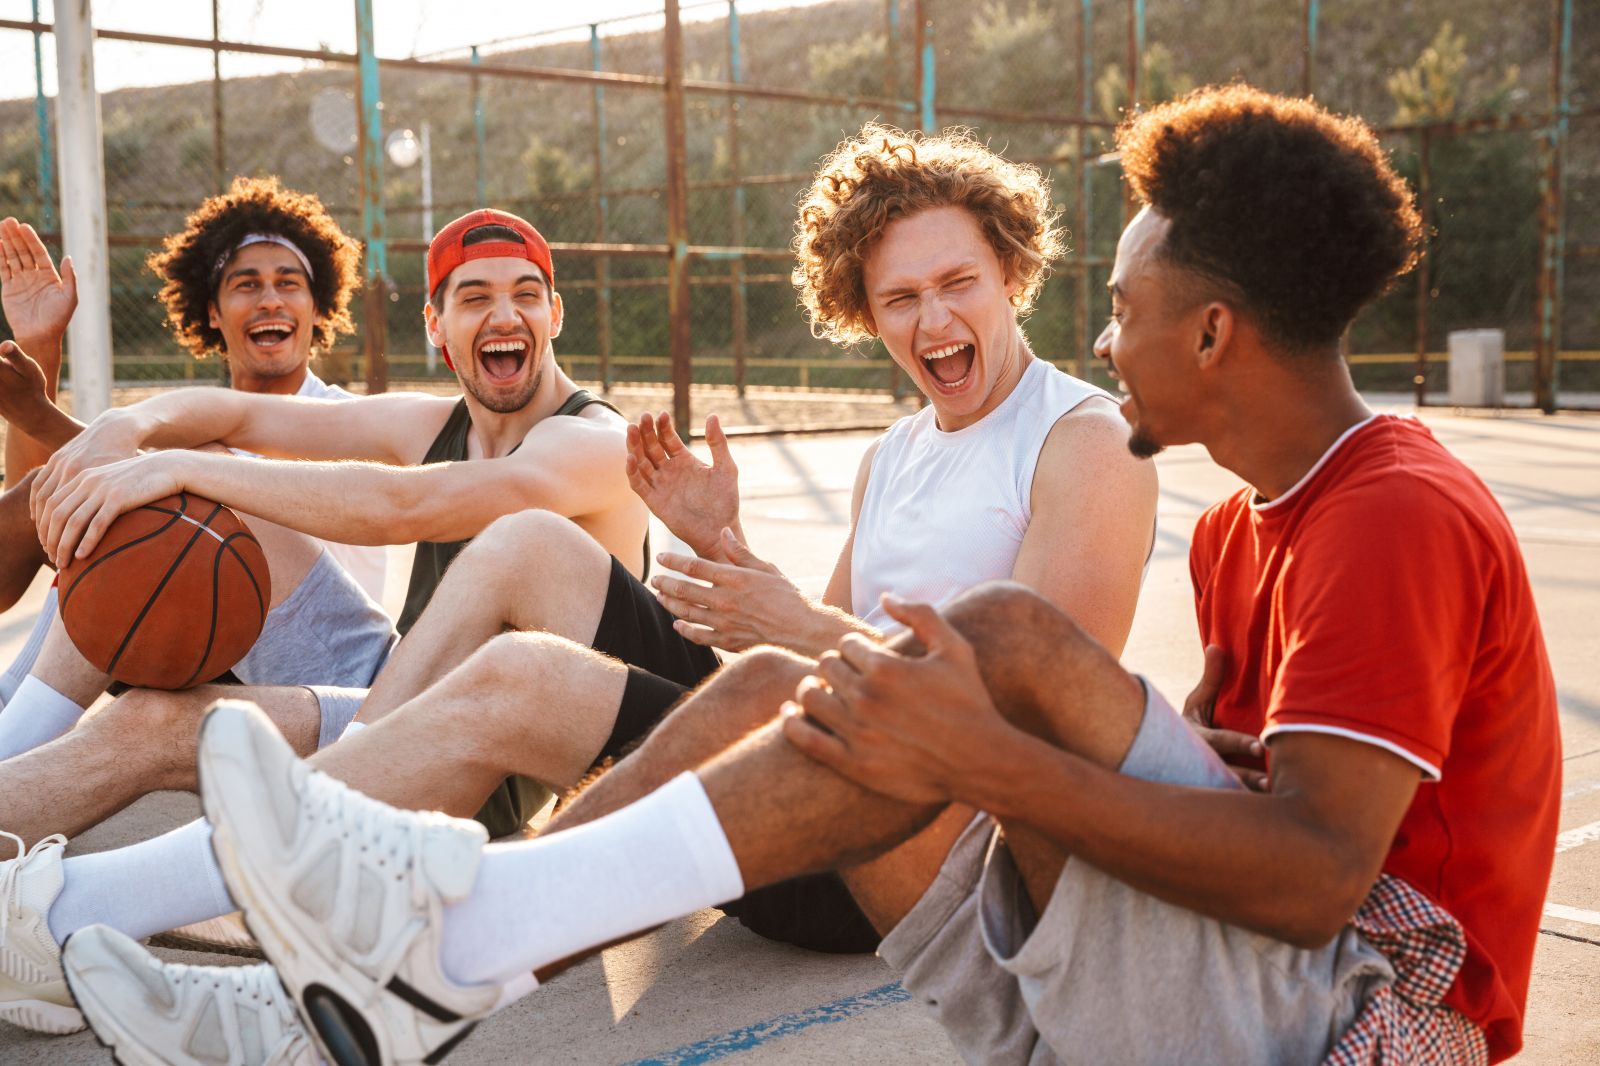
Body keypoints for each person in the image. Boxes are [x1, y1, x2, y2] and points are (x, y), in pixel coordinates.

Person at [76, 87, 1559, 1066]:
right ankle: (399, 940)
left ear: (1215, 332)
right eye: (896, 296)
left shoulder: (1378, 511)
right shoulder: (1246, 525)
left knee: (965, 650)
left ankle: (415, 928)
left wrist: (973, 742)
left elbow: (1307, 878)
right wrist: (736, 563)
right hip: (1183, 934)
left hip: (1381, 1015)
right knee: (823, 668)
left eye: (1119, 309)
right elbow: (1209, 761)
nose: (1108, 341)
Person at [2, 122, 1157, 1054]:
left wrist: (786, 618)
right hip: (810, 772)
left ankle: (80, 915)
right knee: (522, 623)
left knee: (530, 580)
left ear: (1013, 270)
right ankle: (279, 963)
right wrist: (738, 559)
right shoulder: (895, 452)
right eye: (898, 299)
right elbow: (825, 654)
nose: (931, 320)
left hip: (905, 859)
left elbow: (1033, 726)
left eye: (957, 283)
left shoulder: (1081, 441)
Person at [0, 204, 653, 1034]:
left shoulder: (594, 442)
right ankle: (14, 750)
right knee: (154, 696)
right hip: (389, 697)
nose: (504, 315)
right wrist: (128, 428)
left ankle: (61, 903)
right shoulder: (436, 422)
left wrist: (163, 464)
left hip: (483, 757)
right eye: (475, 296)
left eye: (527, 294)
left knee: (183, 556)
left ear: (555, 315)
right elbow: (232, 415)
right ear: (438, 325)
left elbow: (400, 503)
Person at [0, 184, 388, 701]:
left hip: (307, 667)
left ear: (318, 309)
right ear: (212, 311)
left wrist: (44, 417)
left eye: (288, 284)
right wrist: (39, 346)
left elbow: (181, 502)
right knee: (64, 500)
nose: (269, 299)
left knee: (142, 511)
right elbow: (48, 494)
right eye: (246, 285)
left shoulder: (345, 417)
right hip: (210, 640)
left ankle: (9, 714)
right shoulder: (195, 421)